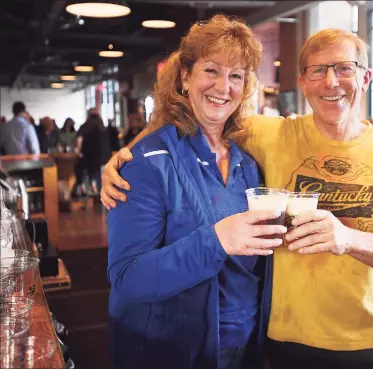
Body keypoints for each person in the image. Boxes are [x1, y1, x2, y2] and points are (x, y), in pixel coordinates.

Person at [101, 27, 373, 369]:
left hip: (370, 340)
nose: (331, 82)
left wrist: (348, 238)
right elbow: (195, 113)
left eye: (344, 68)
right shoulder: (272, 135)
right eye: (318, 70)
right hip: (281, 342)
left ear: (365, 77)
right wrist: (125, 155)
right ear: (303, 82)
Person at [106, 15, 286, 369]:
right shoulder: (146, 163)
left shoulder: (247, 164)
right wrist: (216, 240)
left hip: (246, 346)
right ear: (185, 77)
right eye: (211, 71)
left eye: (236, 76)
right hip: (171, 351)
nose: (224, 87)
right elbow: (127, 277)